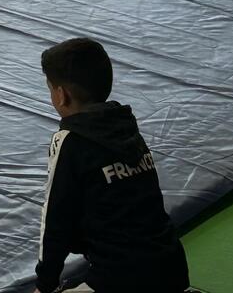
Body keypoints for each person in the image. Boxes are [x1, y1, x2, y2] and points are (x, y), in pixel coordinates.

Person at [34, 38, 192, 293]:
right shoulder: (126, 126)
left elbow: (55, 222)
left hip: (121, 279)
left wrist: (44, 285)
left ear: (61, 95)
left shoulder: (69, 141)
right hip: (172, 267)